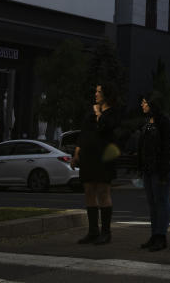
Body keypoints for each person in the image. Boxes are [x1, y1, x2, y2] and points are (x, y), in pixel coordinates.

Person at [75, 84, 120, 244]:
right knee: (88, 190)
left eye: (99, 91)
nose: (95, 94)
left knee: (103, 191)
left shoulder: (112, 113)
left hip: (103, 158)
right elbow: (84, 132)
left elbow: (105, 127)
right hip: (88, 157)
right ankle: (92, 231)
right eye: (95, 91)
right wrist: (77, 151)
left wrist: (98, 112)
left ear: (106, 94)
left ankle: (106, 232)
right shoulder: (90, 111)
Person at [138, 91, 170, 252]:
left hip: (160, 169)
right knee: (153, 204)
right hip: (148, 168)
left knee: (161, 201)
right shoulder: (148, 121)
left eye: (145, 102)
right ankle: (155, 235)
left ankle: (161, 236)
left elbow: (167, 147)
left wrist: (164, 169)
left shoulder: (164, 122)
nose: (142, 104)